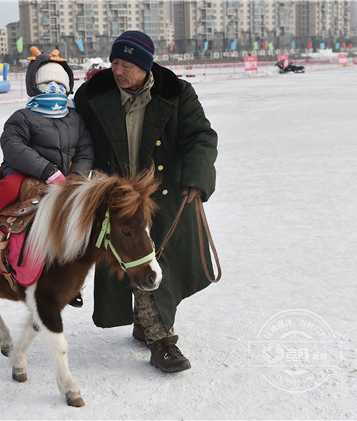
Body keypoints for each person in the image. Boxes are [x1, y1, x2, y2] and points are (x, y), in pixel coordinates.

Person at [74, 31, 218, 372]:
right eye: (113, 62)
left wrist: (197, 176)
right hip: (118, 200)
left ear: (144, 65)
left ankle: (156, 333)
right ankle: (160, 340)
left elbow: (201, 136)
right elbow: (72, 136)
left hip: (162, 197)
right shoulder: (93, 95)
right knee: (135, 262)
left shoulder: (177, 93)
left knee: (156, 266)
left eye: (126, 63)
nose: (117, 69)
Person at [0, 47, 93, 306]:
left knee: (78, 218)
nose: (53, 89)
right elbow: (13, 145)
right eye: (46, 83)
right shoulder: (24, 116)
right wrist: (47, 171)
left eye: (59, 84)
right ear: (35, 86)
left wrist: (75, 178)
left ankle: (70, 279)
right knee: (7, 189)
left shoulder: (74, 118)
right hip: (25, 174)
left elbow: (85, 150)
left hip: (63, 180)